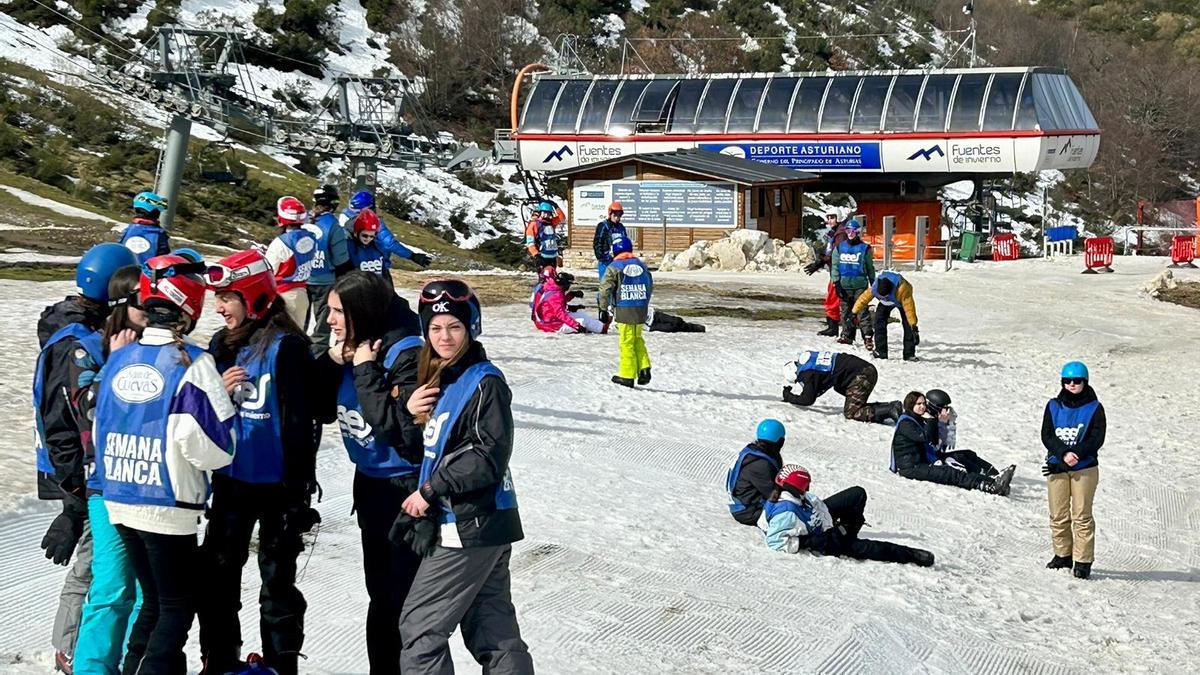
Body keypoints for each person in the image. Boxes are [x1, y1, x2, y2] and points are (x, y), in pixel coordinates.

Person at [93, 254, 237, 674]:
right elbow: (213, 445)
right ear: (189, 306)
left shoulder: (118, 357)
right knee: (176, 606)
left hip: (119, 495)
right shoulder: (192, 363)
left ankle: (133, 666)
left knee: (154, 601)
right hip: (167, 500)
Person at [396, 279, 533, 673]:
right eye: (435, 328)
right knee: (492, 630)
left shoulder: (484, 380)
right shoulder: (446, 378)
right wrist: (409, 411)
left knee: (421, 629)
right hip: (482, 522)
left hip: (469, 522)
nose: (444, 336)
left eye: (454, 327)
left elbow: (488, 454)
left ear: (471, 327)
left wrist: (431, 489)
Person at [196, 249, 319, 675]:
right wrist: (217, 389)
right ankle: (218, 657)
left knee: (277, 584)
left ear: (254, 297)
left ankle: (281, 662)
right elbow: (200, 414)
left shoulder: (287, 348)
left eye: (227, 297)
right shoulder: (219, 346)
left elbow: (302, 425)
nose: (219, 307)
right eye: (218, 297)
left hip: (278, 485)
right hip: (231, 481)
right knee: (218, 577)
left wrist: (300, 492)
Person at [309, 271, 422, 674]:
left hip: (406, 490)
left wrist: (364, 369)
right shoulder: (352, 350)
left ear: (363, 311)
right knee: (381, 597)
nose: (329, 321)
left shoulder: (403, 353)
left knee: (403, 601)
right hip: (371, 486)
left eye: (338, 311)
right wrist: (331, 360)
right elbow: (318, 410)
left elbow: (405, 435)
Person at [34, 242, 137, 673]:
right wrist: (74, 498)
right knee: (93, 560)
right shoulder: (77, 343)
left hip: (77, 467)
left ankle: (76, 646)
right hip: (76, 468)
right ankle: (73, 649)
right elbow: (65, 423)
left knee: (96, 558)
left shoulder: (79, 329)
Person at [70, 265, 148, 675]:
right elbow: (87, 410)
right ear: (121, 303)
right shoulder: (91, 349)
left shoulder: (162, 347)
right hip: (105, 486)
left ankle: (135, 666)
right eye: (141, 300)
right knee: (112, 586)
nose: (151, 307)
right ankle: (93, 668)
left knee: (146, 594)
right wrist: (116, 363)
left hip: (150, 485)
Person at [762, 465, 934, 566]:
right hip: (825, 540)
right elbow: (774, 540)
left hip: (819, 521)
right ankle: (911, 554)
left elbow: (815, 502)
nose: (807, 489)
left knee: (857, 494)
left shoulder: (795, 496)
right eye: (805, 486)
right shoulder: (787, 513)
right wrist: (808, 542)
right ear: (796, 487)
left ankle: (848, 530)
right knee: (870, 548)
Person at [1041, 361, 1105, 580]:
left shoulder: (1094, 408)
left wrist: (1075, 454)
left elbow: (1097, 438)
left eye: (1076, 381)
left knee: (1081, 515)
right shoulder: (1053, 406)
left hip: (1084, 468)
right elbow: (1047, 435)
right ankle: (1062, 554)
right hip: (1057, 465)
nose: (1071, 385)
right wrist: (1062, 454)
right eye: (1067, 381)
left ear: (1084, 382)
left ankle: (1083, 560)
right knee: (1058, 514)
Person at [890, 391, 1014, 496]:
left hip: (922, 461)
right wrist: (933, 420)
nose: (923, 407)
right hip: (910, 467)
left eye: (924, 403)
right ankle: (990, 486)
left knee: (967, 454)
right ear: (911, 405)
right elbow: (926, 438)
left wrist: (942, 423)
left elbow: (936, 444)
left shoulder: (919, 419)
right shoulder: (906, 423)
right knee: (949, 472)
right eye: (919, 404)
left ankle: (995, 476)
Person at [781, 350, 901, 424]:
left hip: (862, 374)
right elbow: (820, 385)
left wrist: (788, 396)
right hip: (864, 370)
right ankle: (890, 406)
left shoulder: (807, 374)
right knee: (839, 388)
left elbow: (807, 399)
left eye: (798, 381)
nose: (801, 383)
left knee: (852, 412)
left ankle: (889, 410)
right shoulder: (809, 361)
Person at [303, 184, 354, 342]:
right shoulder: (333, 225)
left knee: (298, 322)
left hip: (302, 277)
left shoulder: (305, 221)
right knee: (322, 327)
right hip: (325, 280)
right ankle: (318, 355)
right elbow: (340, 259)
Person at [340, 190, 432, 269]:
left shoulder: (343, 219)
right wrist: (412, 256)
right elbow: (389, 243)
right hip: (375, 266)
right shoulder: (373, 222)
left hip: (352, 265)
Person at [264, 196, 318, 328]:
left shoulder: (281, 242)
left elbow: (269, 270)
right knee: (297, 335)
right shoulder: (311, 237)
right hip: (302, 293)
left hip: (283, 295)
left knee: (279, 336)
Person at [725, 419, 785, 527]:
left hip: (746, 504)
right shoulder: (760, 464)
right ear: (780, 441)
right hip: (747, 511)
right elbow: (774, 495)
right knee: (791, 515)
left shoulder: (756, 452)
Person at [852, 270, 919, 361]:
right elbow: (863, 299)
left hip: (900, 301)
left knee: (908, 325)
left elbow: (909, 309)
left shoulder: (903, 289)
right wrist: (854, 312)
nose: (884, 298)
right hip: (885, 304)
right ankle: (880, 352)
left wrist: (914, 326)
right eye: (881, 297)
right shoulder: (875, 287)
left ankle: (909, 354)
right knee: (879, 323)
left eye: (885, 296)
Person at [829, 219, 875, 350]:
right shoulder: (840, 247)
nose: (850, 233)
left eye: (853, 231)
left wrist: (873, 284)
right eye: (848, 231)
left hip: (860, 284)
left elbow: (870, 268)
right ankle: (847, 335)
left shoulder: (864, 248)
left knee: (862, 311)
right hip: (844, 284)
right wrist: (836, 282)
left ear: (858, 232)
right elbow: (835, 266)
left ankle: (867, 336)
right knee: (845, 311)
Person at [803, 213, 848, 336]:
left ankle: (833, 328)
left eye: (832, 217)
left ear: (839, 218)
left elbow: (836, 253)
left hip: (839, 272)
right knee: (836, 299)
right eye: (828, 218)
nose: (829, 220)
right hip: (835, 270)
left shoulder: (841, 234)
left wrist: (822, 261)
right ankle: (836, 326)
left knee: (833, 300)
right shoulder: (835, 232)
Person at [531, 266, 605, 334]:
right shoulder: (555, 294)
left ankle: (602, 327)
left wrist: (571, 295)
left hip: (548, 319)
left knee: (581, 315)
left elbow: (557, 303)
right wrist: (577, 326)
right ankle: (602, 329)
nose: (569, 286)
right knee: (583, 321)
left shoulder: (552, 287)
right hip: (551, 325)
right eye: (569, 284)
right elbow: (560, 314)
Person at [119, 192, 172, 265]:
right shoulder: (160, 236)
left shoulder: (126, 231)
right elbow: (164, 260)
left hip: (123, 273)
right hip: (145, 275)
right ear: (155, 212)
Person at [346, 209, 391, 285]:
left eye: (372, 236)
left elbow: (385, 273)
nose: (368, 239)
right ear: (356, 233)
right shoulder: (348, 247)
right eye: (365, 235)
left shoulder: (378, 247)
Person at [592, 201, 629, 282]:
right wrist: (601, 256)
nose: (617, 218)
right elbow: (598, 242)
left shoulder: (621, 228)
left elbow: (625, 242)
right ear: (610, 214)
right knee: (606, 285)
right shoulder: (603, 226)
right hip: (606, 260)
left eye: (619, 215)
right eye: (615, 215)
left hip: (618, 261)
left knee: (618, 285)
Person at [524, 200, 562, 272]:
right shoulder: (534, 224)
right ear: (540, 213)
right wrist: (536, 254)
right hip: (542, 256)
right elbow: (530, 242)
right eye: (544, 212)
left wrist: (556, 206)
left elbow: (561, 217)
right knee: (544, 277)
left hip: (552, 255)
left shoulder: (551, 223)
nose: (546, 215)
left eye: (548, 213)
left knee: (552, 275)